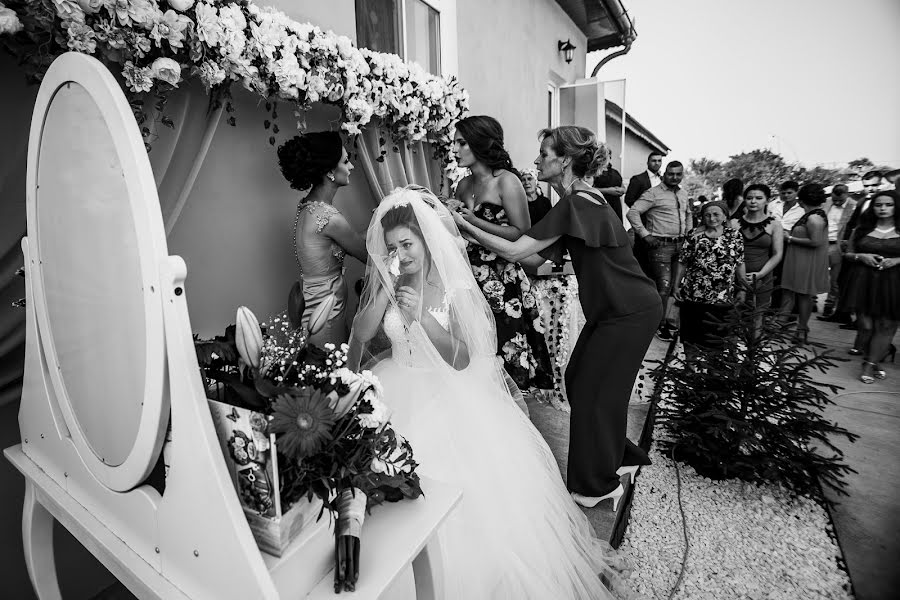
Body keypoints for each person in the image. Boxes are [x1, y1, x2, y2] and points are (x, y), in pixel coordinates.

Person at [350, 187, 633, 599]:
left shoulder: (455, 290)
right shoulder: (391, 282)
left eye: (407, 244)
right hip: (398, 383)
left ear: (427, 240)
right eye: (392, 247)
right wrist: (383, 292)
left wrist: (423, 322)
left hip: (448, 394)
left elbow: (465, 359)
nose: (400, 254)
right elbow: (362, 335)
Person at [455, 126, 659, 509]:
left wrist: (465, 224)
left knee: (595, 393)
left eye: (544, 153)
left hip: (628, 312)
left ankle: (598, 484)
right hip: (615, 310)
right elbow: (536, 257)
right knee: (580, 379)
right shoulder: (582, 198)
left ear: (564, 160)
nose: (536, 160)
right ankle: (620, 458)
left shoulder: (577, 202)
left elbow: (516, 252)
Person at [452, 116, 553, 394]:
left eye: (461, 143)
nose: (455, 149)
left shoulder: (507, 182)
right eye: (454, 143)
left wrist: (472, 220)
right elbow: (459, 230)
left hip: (502, 283)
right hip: (467, 280)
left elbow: (521, 232)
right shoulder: (463, 186)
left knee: (503, 352)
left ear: (480, 144)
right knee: (472, 353)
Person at [277, 132, 366, 346]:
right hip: (327, 312)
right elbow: (366, 253)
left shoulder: (307, 207)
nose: (351, 166)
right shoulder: (329, 218)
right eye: (346, 161)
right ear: (329, 171)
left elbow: (349, 240)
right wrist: (387, 221)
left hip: (314, 305)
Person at [626, 160, 693, 341]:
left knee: (674, 287)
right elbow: (632, 212)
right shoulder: (653, 193)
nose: (674, 177)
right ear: (664, 174)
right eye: (671, 174)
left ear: (682, 175)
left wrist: (689, 234)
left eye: (678, 174)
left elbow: (688, 214)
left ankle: (665, 320)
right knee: (662, 287)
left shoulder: (684, 193)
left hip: (680, 244)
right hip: (660, 245)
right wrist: (644, 234)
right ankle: (658, 325)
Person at [839, 190, 900, 383]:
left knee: (886, 325)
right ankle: (875, 357)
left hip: (894, 282)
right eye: (878, 204)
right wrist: (861, 256)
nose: (883, 208)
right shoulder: (862, 229)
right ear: (872, 207)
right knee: (866, 325)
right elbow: (847, 254)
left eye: (888, 204)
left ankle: (870, 363)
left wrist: (897, 260)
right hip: (863, 281)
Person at [672, 201, 746, 355]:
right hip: (694, 295)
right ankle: (690, 368)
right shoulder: (694, 235)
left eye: (716, 214)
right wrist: (676, 285)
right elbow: (682, 262)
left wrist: (743, 288)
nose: (712, 218)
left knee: (717, 339)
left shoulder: (735, 236)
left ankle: (713, 372)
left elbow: (739, 263)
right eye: (707, 215)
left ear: (725, 216)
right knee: (691, 336)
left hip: (722, 297)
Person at [779, 183, 829, 344]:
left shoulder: (814, 218)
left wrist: (790, 238)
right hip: (798, 258)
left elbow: (815, 241)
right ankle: (781, 323)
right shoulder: (811, 214)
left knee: (803, 294)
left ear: (801, 200)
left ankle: (802, 329)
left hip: (806, 261)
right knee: (789, 291)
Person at [734, 184, 783, 312]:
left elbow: (777, 254)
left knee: (758, 315)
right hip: (735, 278)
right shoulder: (734, 223)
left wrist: (761, 274)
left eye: (759, 198)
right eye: (749, 198)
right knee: (734, 316)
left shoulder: (775, 225)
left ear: (767, 200)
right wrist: (741, 279)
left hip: (763, 276)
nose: (753, 201)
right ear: (744, 200)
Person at [818, 184, 857, 322]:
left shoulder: (854, 206)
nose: (836, 203)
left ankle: (829, 306)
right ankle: (812, 301)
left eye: (840, 200)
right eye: (834, 200)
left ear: (847, 194)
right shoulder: (827, 202)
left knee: (834, 279)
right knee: (816, 274)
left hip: (837, 245)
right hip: (821, 242)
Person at [623, 151, 664, 277]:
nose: (656, 163)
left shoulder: (662, 180)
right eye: (654, 160)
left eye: (659, 161)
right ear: (648, 162)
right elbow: (629, 199)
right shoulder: (639, 179)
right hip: (643, 221)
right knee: (641, 254)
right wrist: (645, 210)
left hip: (660, 224)